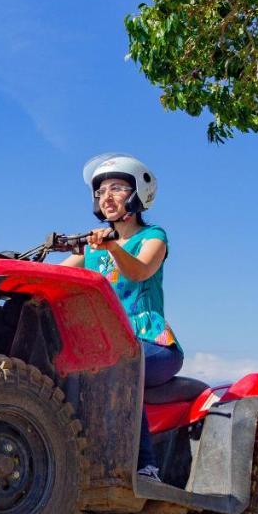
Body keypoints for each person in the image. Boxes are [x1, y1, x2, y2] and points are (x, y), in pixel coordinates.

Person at [62, 153, 182, 480]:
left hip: (151, 343)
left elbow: (140, 272)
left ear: (137, 195)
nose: (106, 197)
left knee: (123, 364)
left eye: (116, 188)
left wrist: (113, 248)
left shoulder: (154, 236)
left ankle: (145, 466)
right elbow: (53, 274)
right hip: (107, 345)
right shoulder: (89, 250)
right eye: (100, 192)